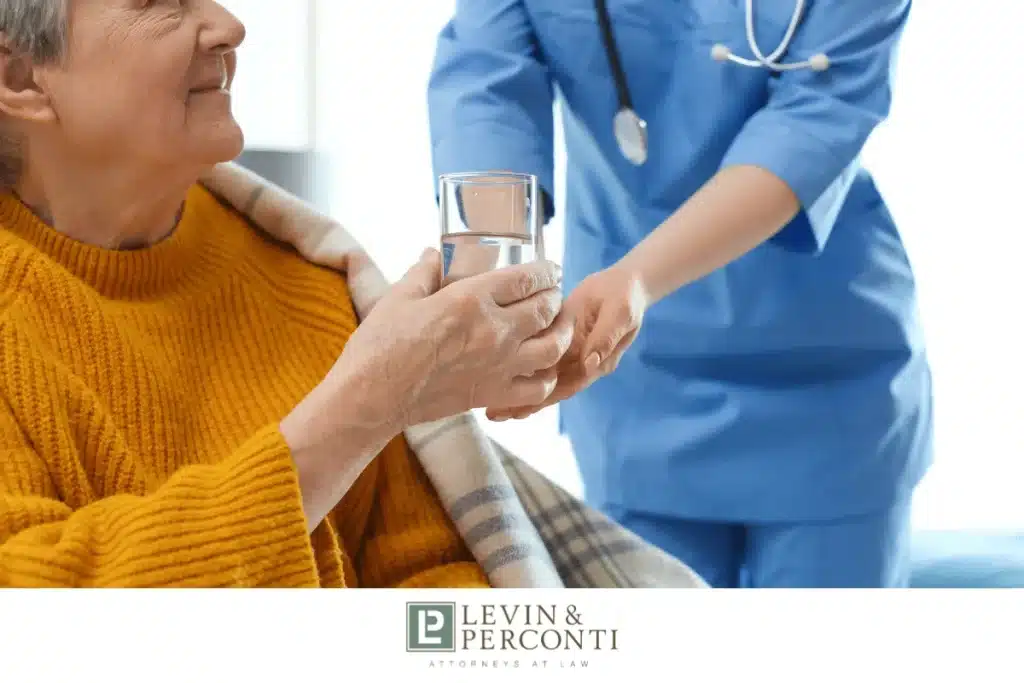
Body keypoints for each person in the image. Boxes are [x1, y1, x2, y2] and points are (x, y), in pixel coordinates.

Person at [0, 0, 570, 587]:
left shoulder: (305, 284)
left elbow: (433, 573)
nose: (230, 27)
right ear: (18, 78)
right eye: (160, 3)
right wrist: (364, 408)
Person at [425, 0, 933, 587]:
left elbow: (817, 119)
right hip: (628, 374)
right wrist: (495, 285)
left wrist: (637, 279)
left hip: (826, 380)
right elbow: (487, 83)